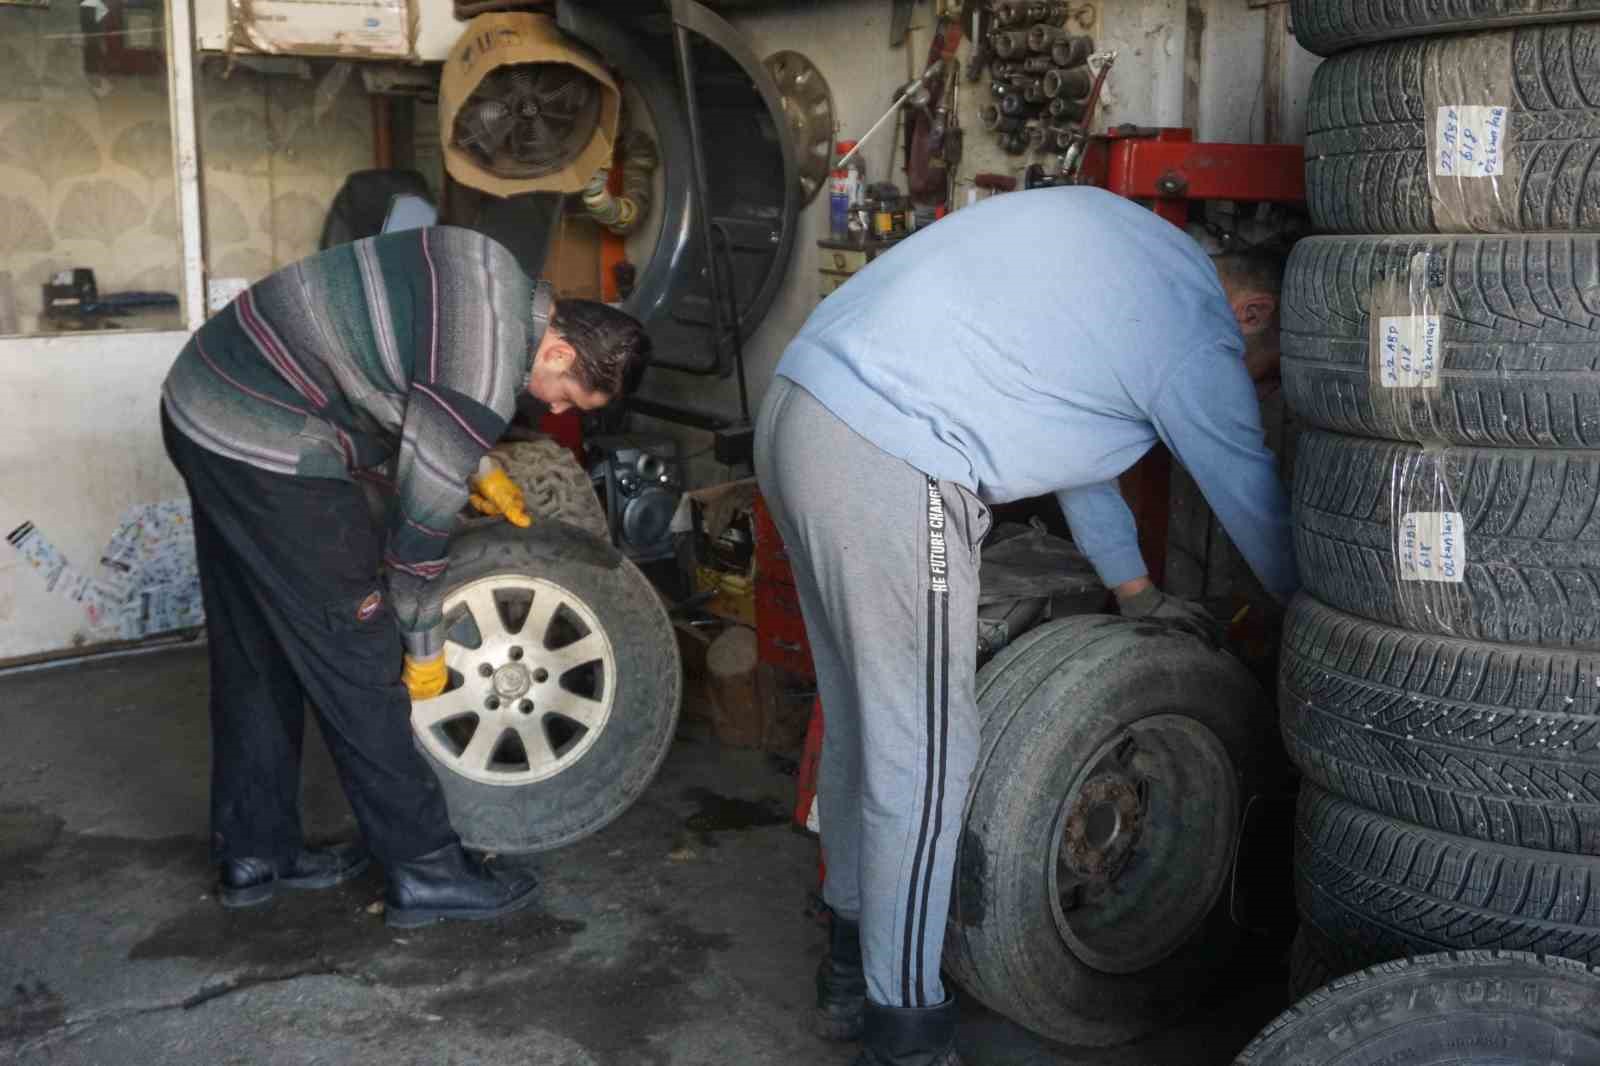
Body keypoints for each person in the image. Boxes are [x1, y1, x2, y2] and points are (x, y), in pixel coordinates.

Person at [753, 186, 1297, 1065]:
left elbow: (1073, 448)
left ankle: (853, 960)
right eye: (1259, 368)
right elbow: (1256, 504)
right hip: (892, 454)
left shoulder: (1133, 266)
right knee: (928, 760)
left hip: (799, 413)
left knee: (865, 721)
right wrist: (1340, 632)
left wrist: (1134, 592)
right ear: (1253, 311)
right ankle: (907, 1034)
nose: (1246, 384)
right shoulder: (1197, 328)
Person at [161, 226, 650, 928]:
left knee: (258, 642)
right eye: (568, 394)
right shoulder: (483, 373)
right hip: (265, 438)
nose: (557, 410)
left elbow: (401, 366)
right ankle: (425, 869)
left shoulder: (498, 272)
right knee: (357, 653)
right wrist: (420, 650)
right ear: (560, 348)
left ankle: (256, 851)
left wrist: (476, 464)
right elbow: (416, 544)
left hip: (204, 399)